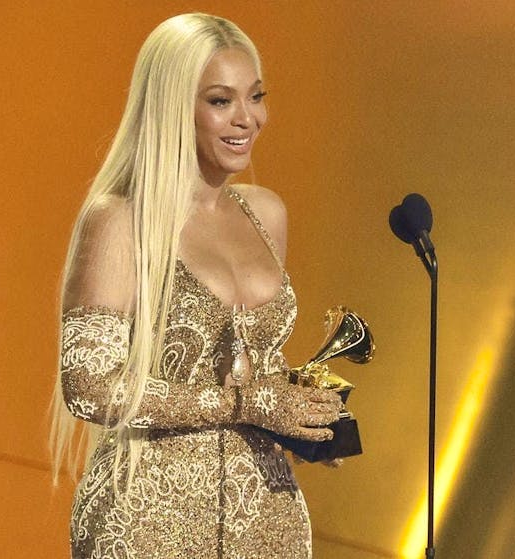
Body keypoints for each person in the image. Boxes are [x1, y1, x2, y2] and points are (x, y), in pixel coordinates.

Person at [49, 13, 343, 558]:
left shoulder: (266, 214)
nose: (247, 119)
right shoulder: (121, 222)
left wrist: (301, 420)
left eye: (255, 97)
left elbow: (257, 373)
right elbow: (88, 386)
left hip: (268, 520)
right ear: (171, 107)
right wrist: (243, 405)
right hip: (147, 520)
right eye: (220, 101)